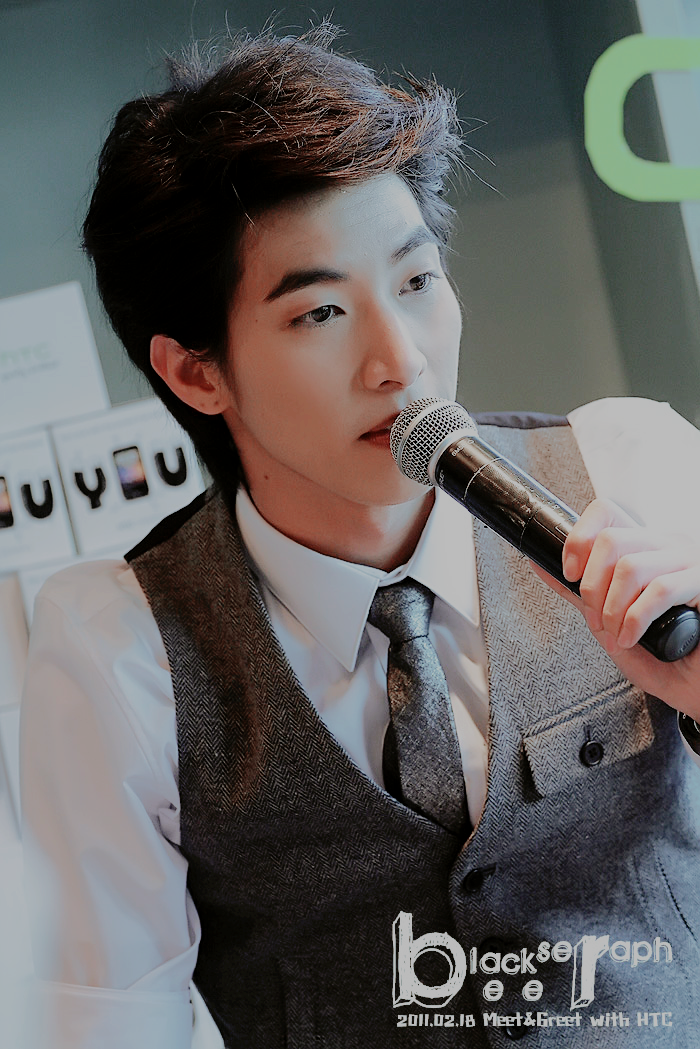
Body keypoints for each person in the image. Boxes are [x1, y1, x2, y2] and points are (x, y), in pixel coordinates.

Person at [20, 22, 700, 1049]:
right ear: (196, 372)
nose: (400, 361)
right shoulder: (119, 647)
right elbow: (109, 1023)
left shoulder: (631, 469)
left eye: (416, 282)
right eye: (320, 315)